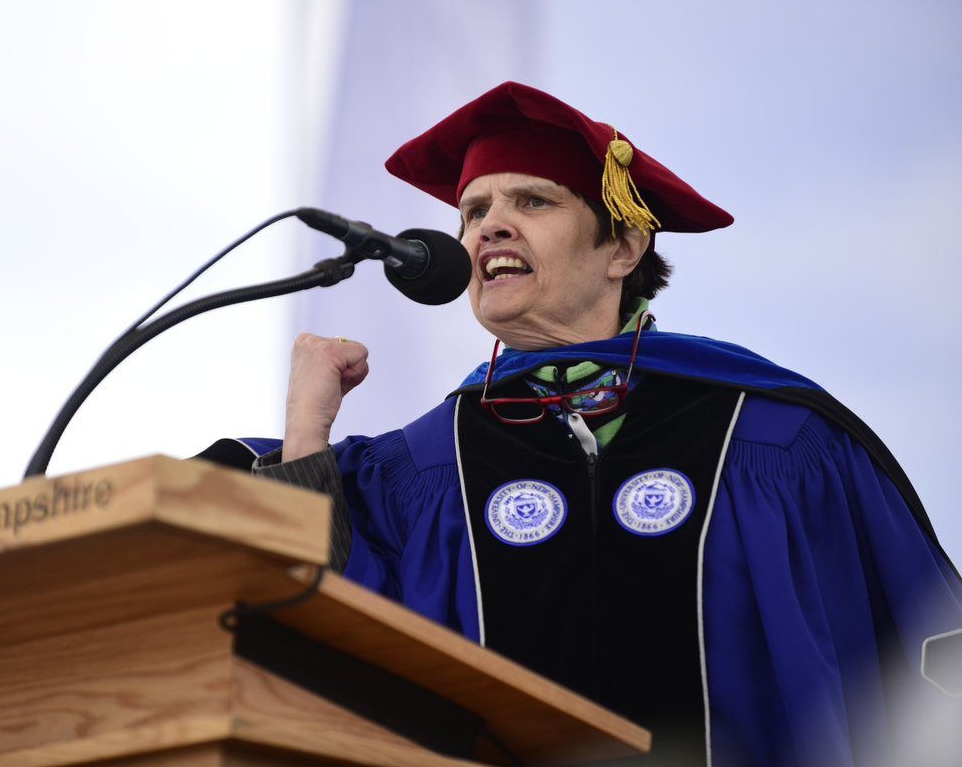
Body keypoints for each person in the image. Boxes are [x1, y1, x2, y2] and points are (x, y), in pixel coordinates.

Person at [199, 82, 962, 766]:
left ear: (624, 246)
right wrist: (306, 432)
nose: (490, 226)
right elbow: (330, 633)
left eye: (532, 201)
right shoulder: (429, 469)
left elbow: (912, 665)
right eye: (474, 211)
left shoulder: (771, 440)